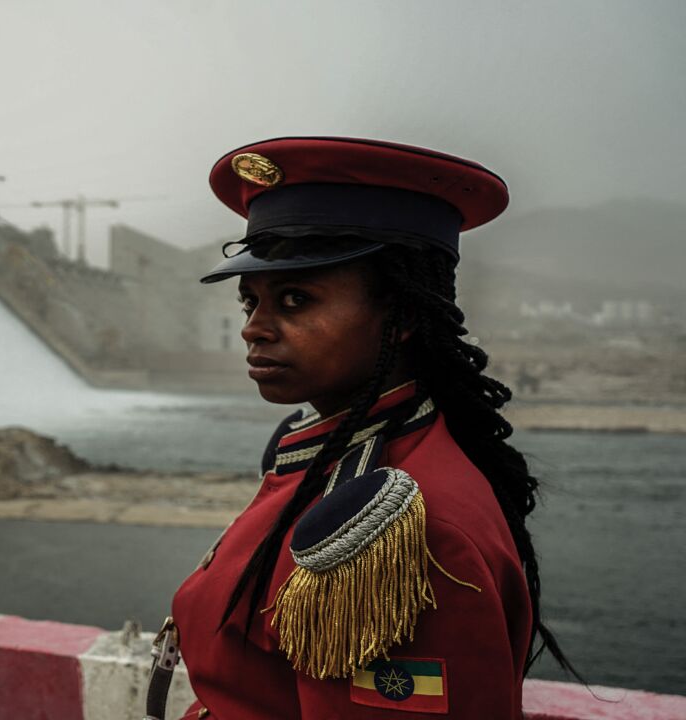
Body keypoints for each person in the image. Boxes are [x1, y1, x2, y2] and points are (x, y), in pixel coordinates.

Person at [152, 137, 577, 719]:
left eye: (295, 299)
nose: (255, 328)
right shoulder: (336, 457)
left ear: (400, 316)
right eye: (250, 302)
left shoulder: (401, 532)